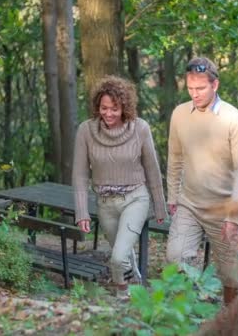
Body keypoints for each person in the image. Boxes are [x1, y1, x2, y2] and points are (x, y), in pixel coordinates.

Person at [166, 57, 238, 306]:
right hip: (189, 204)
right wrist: (172, 195)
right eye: (190, 88)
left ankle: (228, 321)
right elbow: (175, 158)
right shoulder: (180, 114)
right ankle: (186, 315)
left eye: (200, 88)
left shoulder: (234, 119)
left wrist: (234, 217)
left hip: (224, 208)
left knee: (233, 275)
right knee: (176, 258)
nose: (194, 94)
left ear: (215, 85)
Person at [72, 75, 167, 299]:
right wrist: (81, 212)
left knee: (117, 258)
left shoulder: (140, 128)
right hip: (105, 204)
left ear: (125, 107)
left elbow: (152, 170)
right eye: (104, 108)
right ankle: (136, 283)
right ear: (98, 107)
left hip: (135, 198)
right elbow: (80, 174)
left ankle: (122, 297)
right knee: (121, 255)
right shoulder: (86, 131)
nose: (109, 114)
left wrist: (160, 207)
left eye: (114, 109)